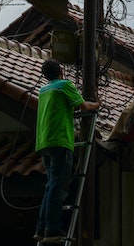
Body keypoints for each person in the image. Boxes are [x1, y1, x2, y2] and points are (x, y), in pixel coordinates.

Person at [34, 59, 100, 244]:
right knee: (58, 187)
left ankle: (41, 228)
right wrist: (97, 104)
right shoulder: (64, 85)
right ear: (61, 71)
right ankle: (52, 229)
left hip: (44, 142)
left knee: (50, 187)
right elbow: (85, 106)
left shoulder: (43, 90)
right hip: (60, 141)